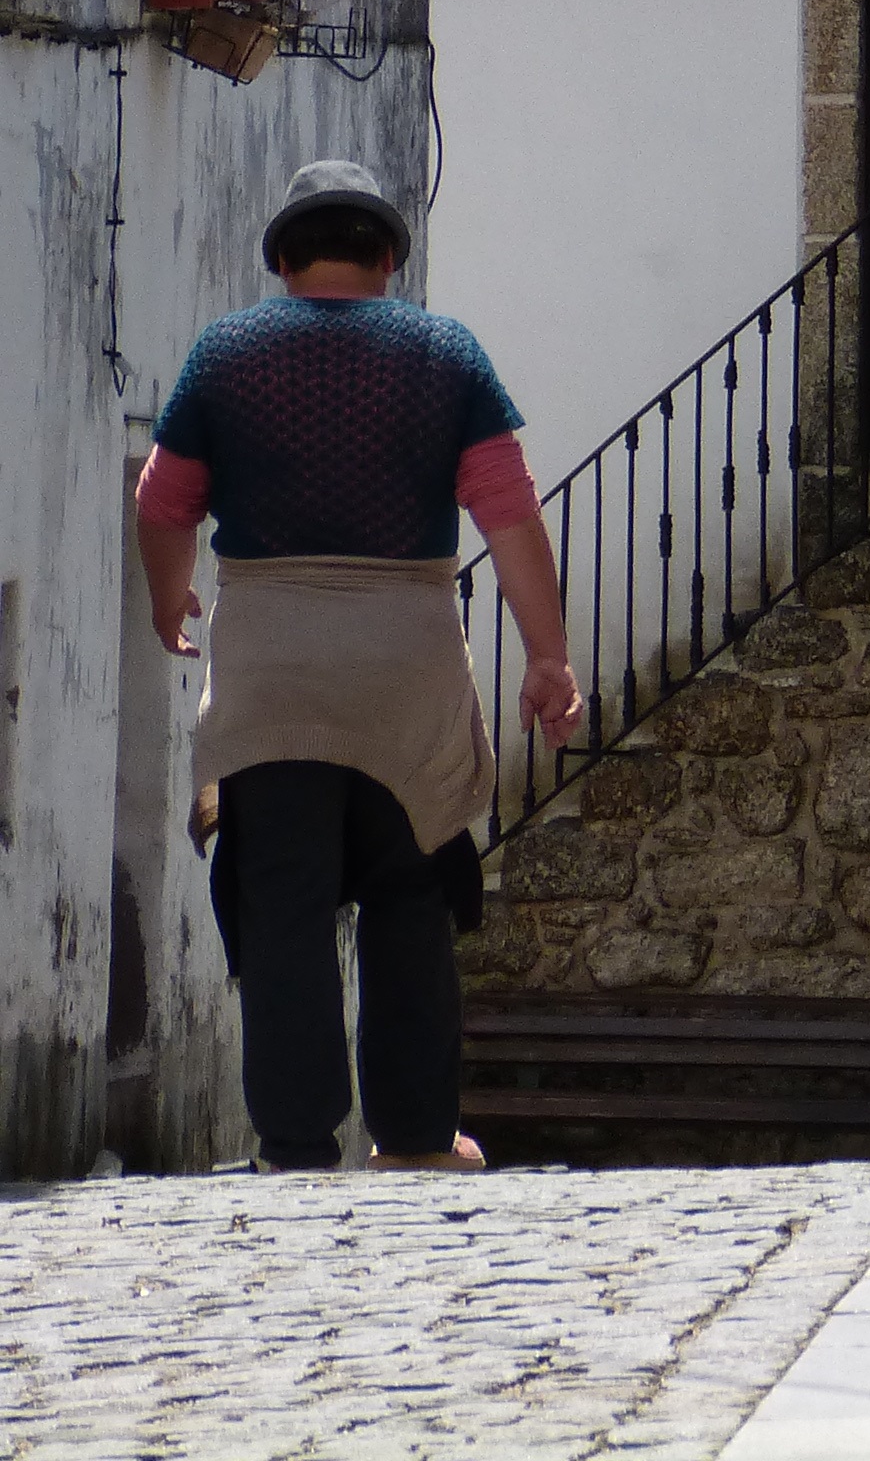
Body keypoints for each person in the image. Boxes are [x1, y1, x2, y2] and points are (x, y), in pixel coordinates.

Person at [135, 160, 583, 1172]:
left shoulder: (226, 355)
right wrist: (547, 659)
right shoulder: (444, 355)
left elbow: (163, 502)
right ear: (387, 258)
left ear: (285, 259)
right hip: (406, 677)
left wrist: (170, 599)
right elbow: (509, 513)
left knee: (281, 902)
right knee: (411, 898)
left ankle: (294, 1142)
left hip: (268, 676)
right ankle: (418, 1138)